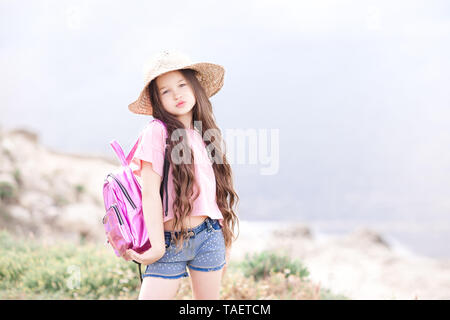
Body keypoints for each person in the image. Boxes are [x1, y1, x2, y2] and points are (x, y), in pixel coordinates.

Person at [122, 50, 239, 300]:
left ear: (194, 86)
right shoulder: (156, 131)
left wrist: (225, 240)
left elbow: (215, 193)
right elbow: (150, 193)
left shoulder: (203, 135)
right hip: (168, 242)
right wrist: (156, 246)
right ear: (157, 100)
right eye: (165, 90)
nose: (176, 94)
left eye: (182, 84)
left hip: (209, 236)